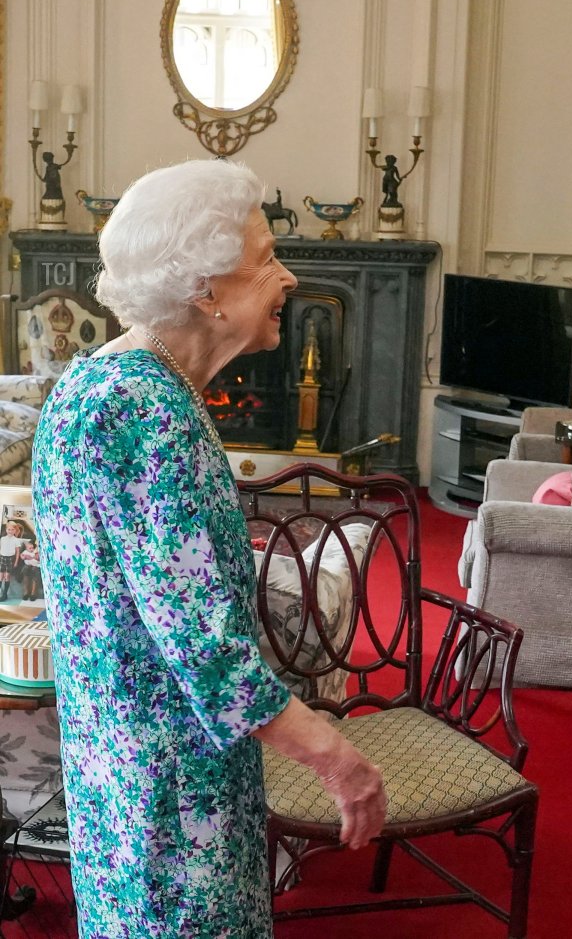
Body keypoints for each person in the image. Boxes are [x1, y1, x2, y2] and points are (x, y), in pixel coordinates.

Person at [32, 159, 388, 938]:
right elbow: (211, 659)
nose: (288, 278)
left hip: (115, 773)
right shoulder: (152, 413)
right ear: (204, 290)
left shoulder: (91, 384)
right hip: (174, 799)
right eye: (264, 260)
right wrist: (338, 757)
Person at [0, 519, 27, 601]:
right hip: (2, 558)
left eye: (12, 530)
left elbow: (18, 552)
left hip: (10, 559)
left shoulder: (16, 540)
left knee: (7, 576)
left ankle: (4, 595)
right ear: (6, 530)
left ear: (15, 530)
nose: (10, 531)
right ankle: (1, 593)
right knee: (0, 576)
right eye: (9, 529)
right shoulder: (2, 539)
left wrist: (15, 562)